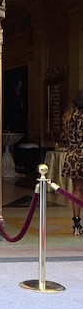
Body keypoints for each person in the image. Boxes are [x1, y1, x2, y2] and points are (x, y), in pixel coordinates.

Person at [61, 89, 83, 235]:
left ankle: (76, 224)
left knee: (76, 189)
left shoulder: (69, 116)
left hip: (73, 155)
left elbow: (64, 138)